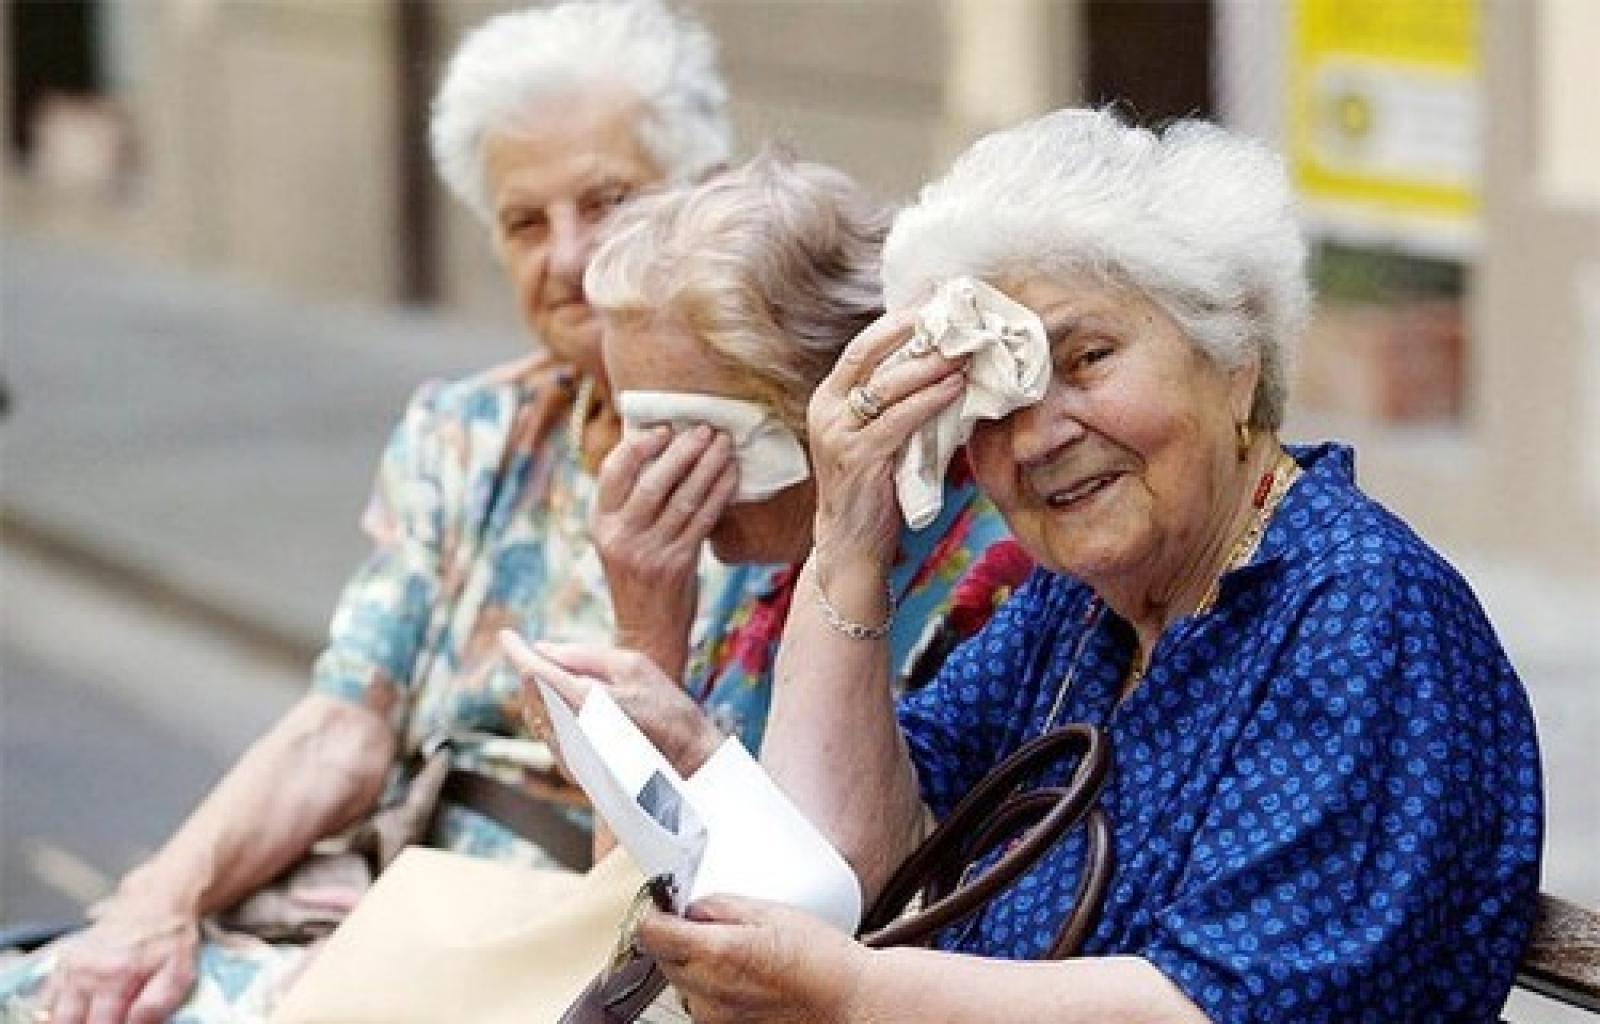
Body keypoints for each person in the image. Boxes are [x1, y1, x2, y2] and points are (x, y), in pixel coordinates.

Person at [553, 110, 1543, 1020]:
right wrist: (848, 538)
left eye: (1087, 359)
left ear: (1233, 359)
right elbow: (843, 862)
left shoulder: (1359, 608)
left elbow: (1216, 1006)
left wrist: (856, 990)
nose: (1034, 437)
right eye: (990, 399)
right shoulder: (1076, 611)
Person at [1, 3, 732, 1022]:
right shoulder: (469, 430)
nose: (565, 258)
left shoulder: (766, 472)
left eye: (606, 202)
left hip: (575, 937)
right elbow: (343, 725)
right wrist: (154, 902)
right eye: (525, 221)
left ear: (697, 202)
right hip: (392, 887)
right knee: (51, 993)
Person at [526, 150, 1017, 775]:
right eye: (635, 426)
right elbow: (635, 874)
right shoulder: (765, 550)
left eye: (689, 432)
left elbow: (854, 865)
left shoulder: (991, 583)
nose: (649, 467)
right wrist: (646, 639)